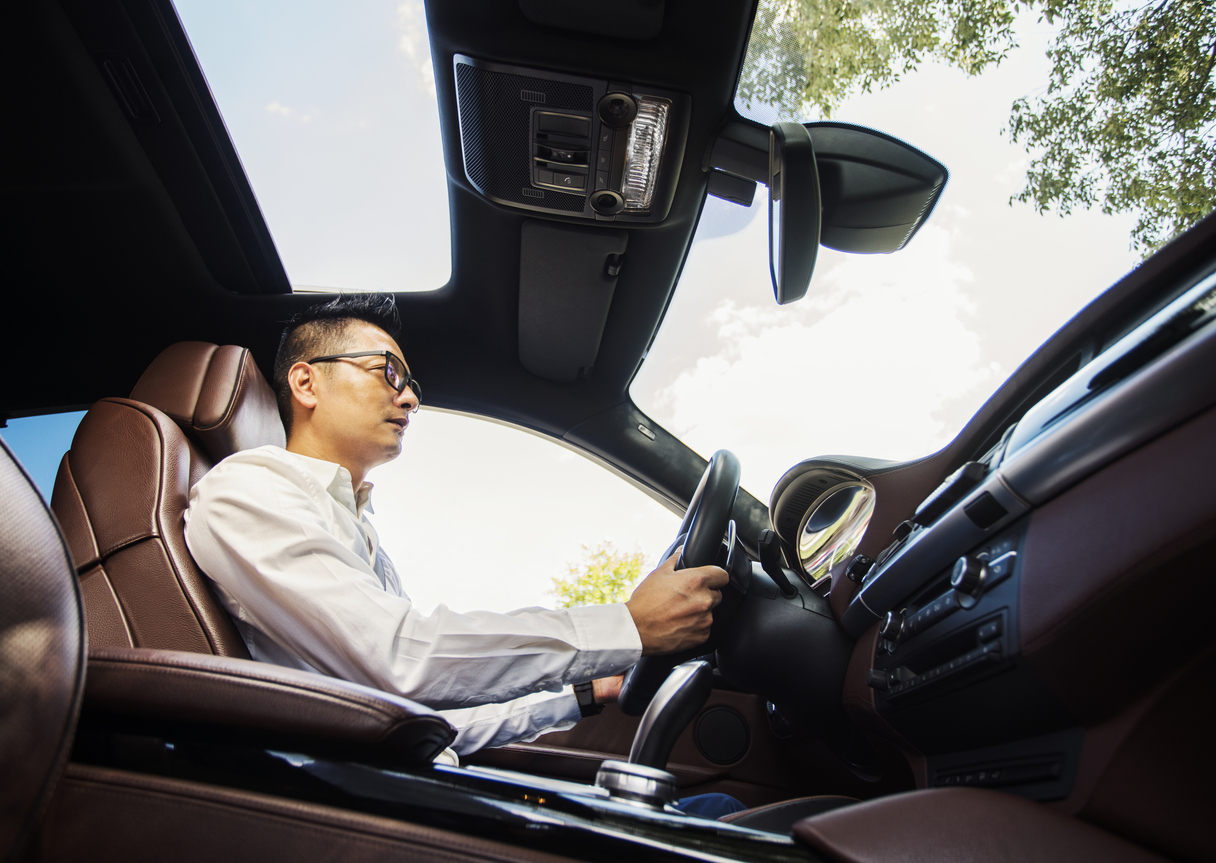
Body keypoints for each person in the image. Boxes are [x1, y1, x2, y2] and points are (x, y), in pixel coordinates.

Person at [184, 294, 730, 762]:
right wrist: (627, 625)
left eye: (411, 383)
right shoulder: (249, 491)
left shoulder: (350, 521)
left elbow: (423, 719)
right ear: (306, 382)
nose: (411, 398)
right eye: (389, 373)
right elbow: (404, 663)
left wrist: (585, 694)